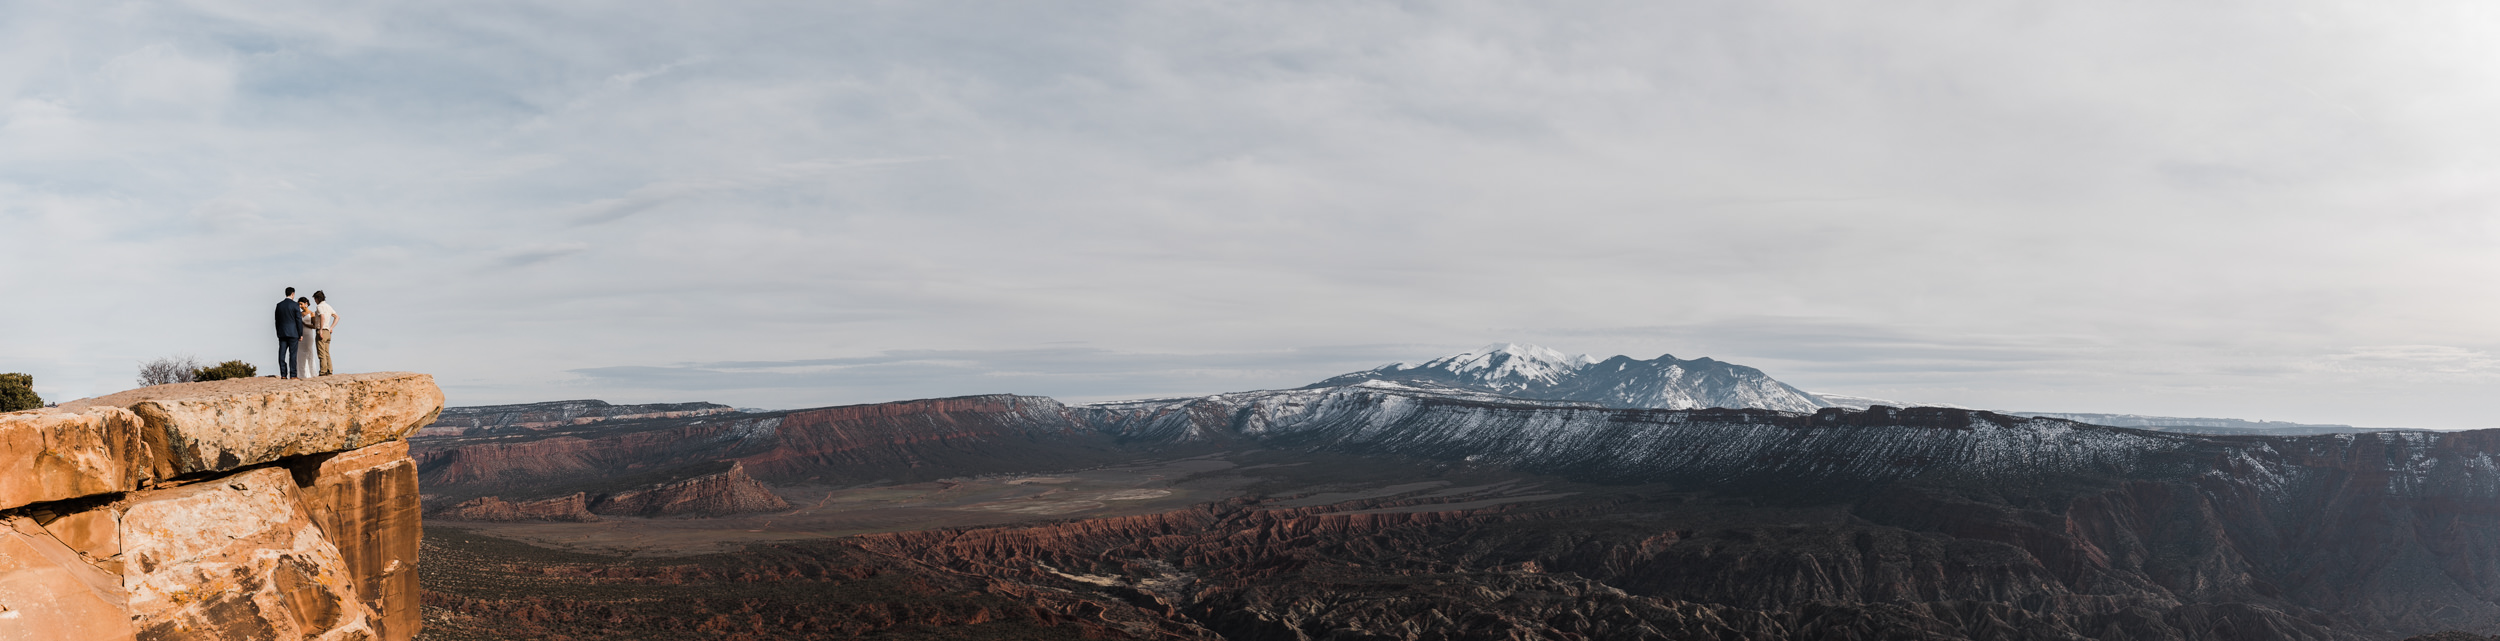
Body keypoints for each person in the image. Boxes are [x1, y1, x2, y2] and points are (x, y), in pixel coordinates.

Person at [275, 287, 302, 379]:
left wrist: (278, 332)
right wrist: (300, 333)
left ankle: (283, 374)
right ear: (293, 294)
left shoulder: (279, 305)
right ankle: (293, 375)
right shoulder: (295, 305)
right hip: (293, 333)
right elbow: (299, 320)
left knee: (281, 354)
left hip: (282, 333)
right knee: (293, 355)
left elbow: (276, 320)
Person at [312, 291, 340, 376]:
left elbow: (322, 317)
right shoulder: (328, 306)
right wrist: (331, 327)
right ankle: (329, 370)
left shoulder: (319, 306)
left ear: (317, 298)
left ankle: (323, 371)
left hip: (322, 330)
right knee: (327, 352)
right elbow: (337, 317)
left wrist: (320, 329)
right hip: (328, 331)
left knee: (321, 352)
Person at [296, 297, 317, 378]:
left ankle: (311, 373)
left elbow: (314, 326)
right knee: (300, 353)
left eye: (301, 304)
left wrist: (305, 324)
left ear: (306, 303)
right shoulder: (299, 314)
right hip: (300, 335)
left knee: (308, 352)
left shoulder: (312, 313)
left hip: (308, 334)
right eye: (299, 304)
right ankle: (301, 374)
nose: (300, 306)